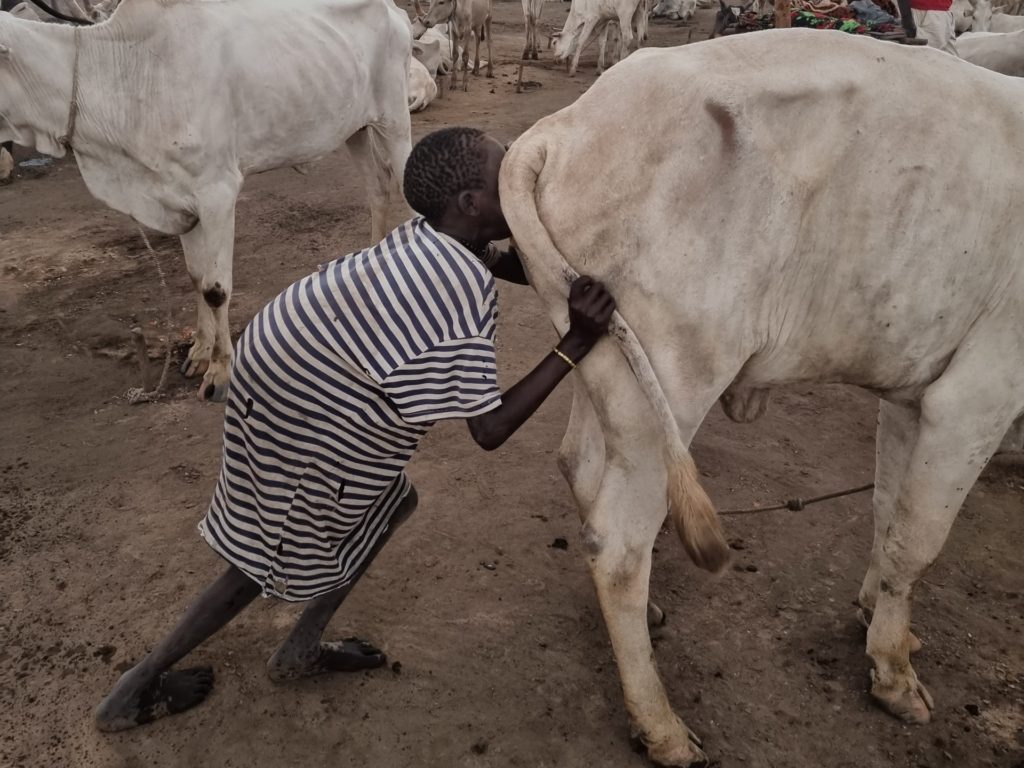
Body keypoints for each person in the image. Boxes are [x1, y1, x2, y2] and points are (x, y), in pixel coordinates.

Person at [95, 126, 617, 731]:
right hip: (306, 409)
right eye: (507, 180)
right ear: (472, 206)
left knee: (392, 502)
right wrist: (575, 341)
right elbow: (490, 428)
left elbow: (504, 259)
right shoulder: (455, 288)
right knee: (262, 556)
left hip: (283, 371)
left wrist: (567, 272)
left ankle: (302, 644)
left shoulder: (438, 238)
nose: (521, 189)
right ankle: (133, 690)